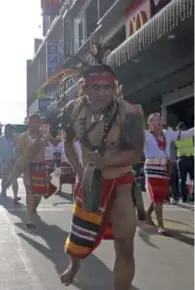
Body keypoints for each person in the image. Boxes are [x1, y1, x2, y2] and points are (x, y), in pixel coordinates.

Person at [59, 64, 145, 290]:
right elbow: (67, 143)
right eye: (95, 87)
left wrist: (105, 162)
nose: (102, 92)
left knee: (125, 244)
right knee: (79, 238)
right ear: (84, 88)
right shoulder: (72, 109)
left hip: (121, 183)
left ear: (115, 87)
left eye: (108, 87)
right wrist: (80, 172)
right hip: (89, 183)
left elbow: (136, 153)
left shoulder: (131, 112)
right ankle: (74, 265)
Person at [144, 114, 194, 234]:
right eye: (155, 120)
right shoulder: (145, 134)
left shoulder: (167, 134)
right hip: (152, 167)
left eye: (160, 120)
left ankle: (147, 214)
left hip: (165, 168)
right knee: (157, 195)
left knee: (160, 194)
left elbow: (185, 134)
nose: (158, 122)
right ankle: (161, 226)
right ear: (150, 123)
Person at [15, 114, 57, 228]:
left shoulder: (43, 136)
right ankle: (29, 217)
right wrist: (20, 163)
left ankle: (33, 210)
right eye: (31, 122)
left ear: (40, 123)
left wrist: (49, 136)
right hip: (28, 166)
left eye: (36, 122)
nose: (34, 124)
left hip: (41, 167)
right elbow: (18, 151)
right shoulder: (23, 136)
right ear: (28, 123)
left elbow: (55, 144)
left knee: (38, 194)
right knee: (30, 191)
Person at [0, 124, 20, 203]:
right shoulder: (0, 139)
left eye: (9, 130)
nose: (8, 131)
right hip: (5, 161)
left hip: (14, 162)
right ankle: (3, 190)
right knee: (4, 178)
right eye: (6, 130)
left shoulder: (16, 139)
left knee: (14, 179)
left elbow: (19, 149)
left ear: (12, 130)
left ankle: (15, 196)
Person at [174, 122, 194, 203]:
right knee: (193, 178)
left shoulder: (177, 137)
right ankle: (193, 195)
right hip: (190, 159)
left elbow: (175, 148)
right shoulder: (190, 136)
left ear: (181, 128)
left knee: (182, 180)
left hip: (181, 160)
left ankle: (183, 198)